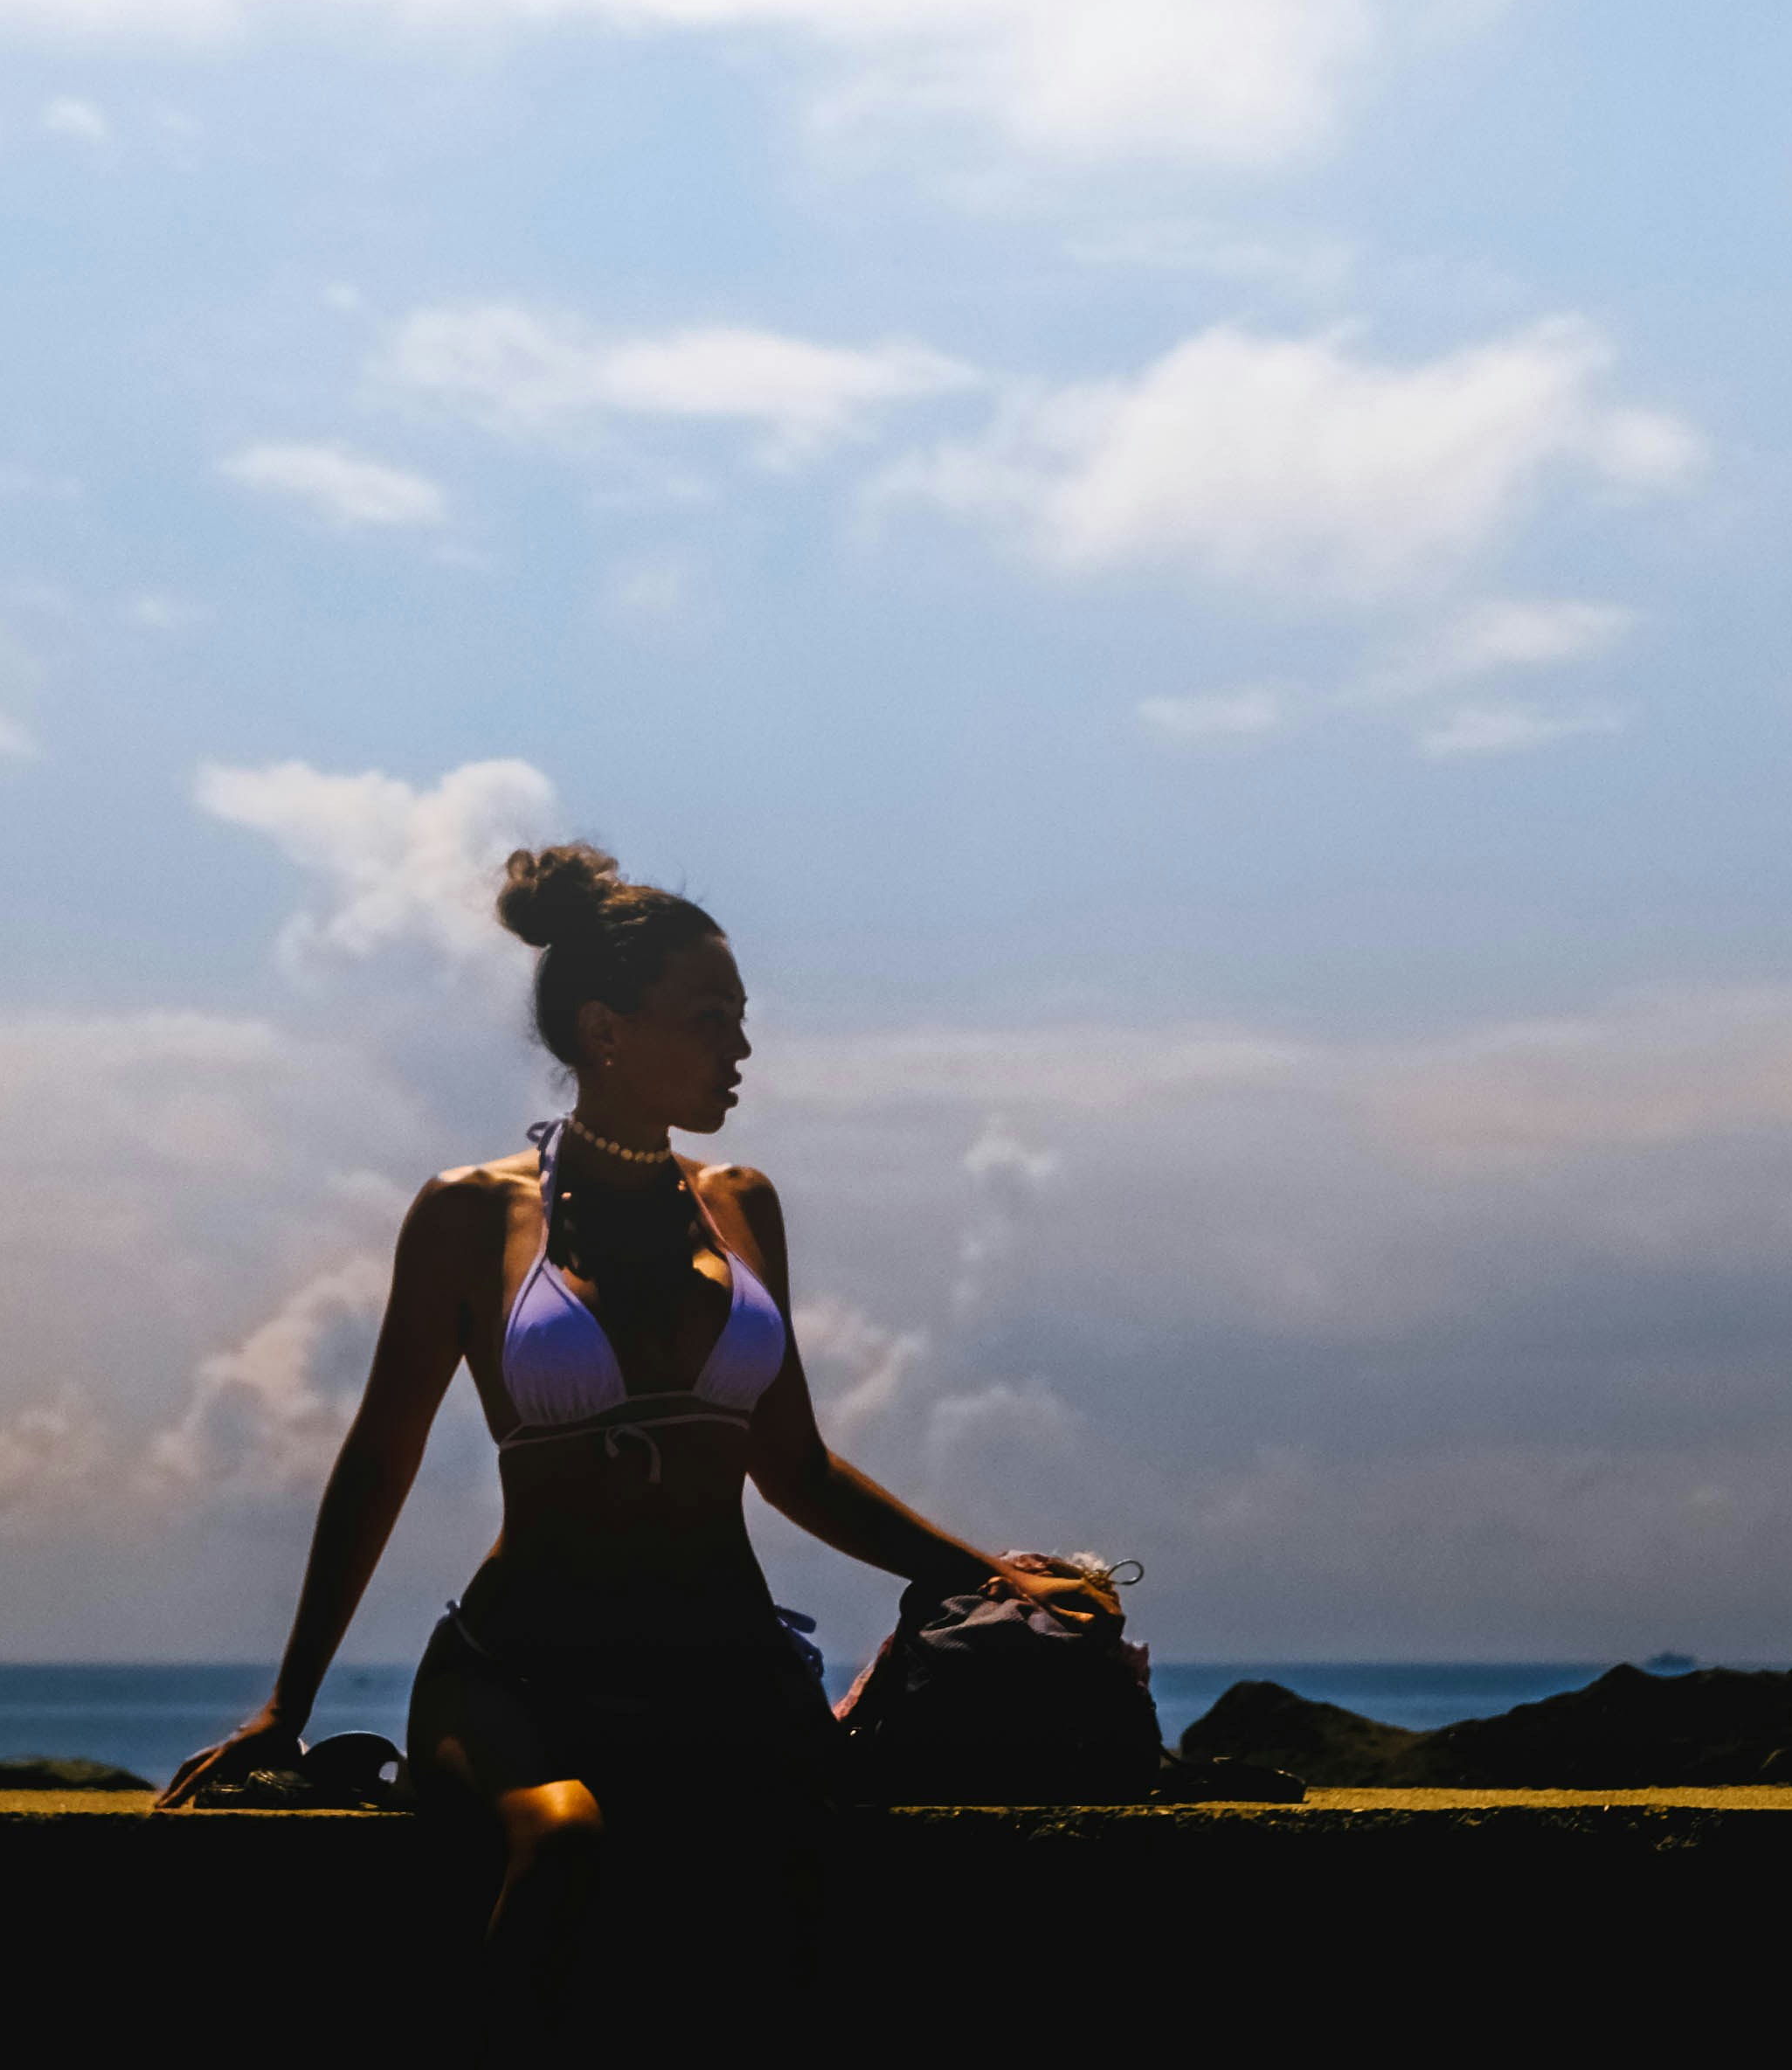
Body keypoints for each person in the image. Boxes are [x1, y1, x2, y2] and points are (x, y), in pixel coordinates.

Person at [160, 842, 1114, 2011]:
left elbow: (795, 1467)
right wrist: (286, 1710)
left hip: (727, 1680)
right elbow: (381, 1456)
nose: (742, 1049)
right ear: (606, 1029)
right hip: (520, 1676)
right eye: (709, 1018)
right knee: (562, 1845)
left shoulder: (740, 1204)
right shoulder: (469, 1217)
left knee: (811, 1912)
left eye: (742, 1017)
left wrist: (999, 1578)